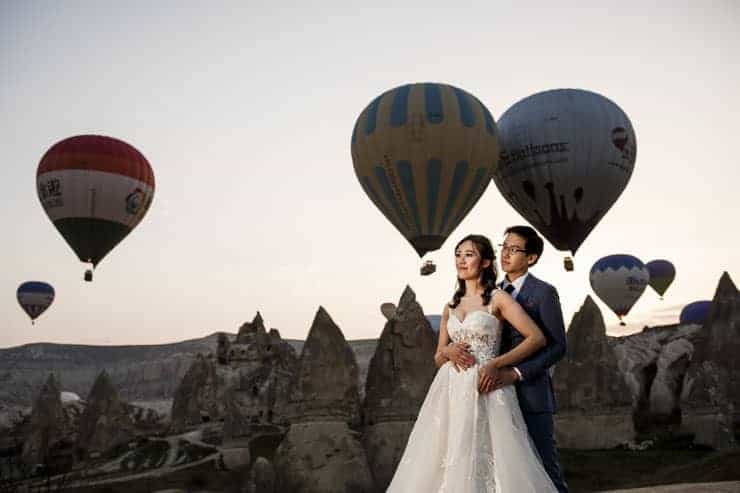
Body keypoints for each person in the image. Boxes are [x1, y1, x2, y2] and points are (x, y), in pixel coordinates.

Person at [387, 234, 558, 492]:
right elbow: (437, 357)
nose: (461, 260)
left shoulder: (498, 298)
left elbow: (536, 338)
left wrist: (496, 364)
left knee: (494, 458)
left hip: (486, 386)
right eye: (458, 254)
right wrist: (448, 349)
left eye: (469, 254)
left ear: (487, 262)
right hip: (451, 390)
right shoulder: (449, 306)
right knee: (448, 454)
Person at [490, 225, 568, 493]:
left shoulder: (544, 292)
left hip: (532, 394)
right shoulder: (491, 292)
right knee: (503, 471)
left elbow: (558, 346)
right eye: (503, 248)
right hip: (495, 395)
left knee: (545, 469)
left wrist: (517, 373)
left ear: (531, 258)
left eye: (514, 249)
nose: (505, 254)